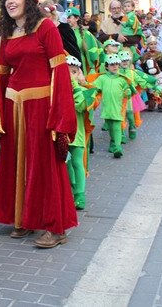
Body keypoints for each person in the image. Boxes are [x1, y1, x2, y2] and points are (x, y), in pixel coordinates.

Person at [0, 0, 77, 249]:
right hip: (14, 108)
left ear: (29, 1)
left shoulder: (46, 27)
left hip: (40, 109)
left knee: (45, 167)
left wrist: (59, 115)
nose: (10, 1)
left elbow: (59, 72)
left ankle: (56, 227)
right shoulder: (8, 32)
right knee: (16, 163)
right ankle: (22, 218)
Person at [65, 55, 93, 210]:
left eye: (74, 72)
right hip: (62, 133)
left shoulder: (83, 90)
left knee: (77, 162)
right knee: (66, 164)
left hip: (78, 133)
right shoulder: (56, 91)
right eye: (66, 72)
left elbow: (81, 106)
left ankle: (80, 195)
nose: (70, 75)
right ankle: (72, 190)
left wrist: (75, 87)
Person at [92, 53, 132, 158]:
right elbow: (94, 88)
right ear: (106, 66)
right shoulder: (102, 78)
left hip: (118, 108)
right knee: (111, 127)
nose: (115, 67)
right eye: (112, 64)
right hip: (107, 109)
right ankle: (113, 142)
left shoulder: (122, 79)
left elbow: (128, 90)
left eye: (116, 64)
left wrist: (127, 92)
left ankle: (118, 148)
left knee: (117, 127)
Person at [66, 7, 100, 76]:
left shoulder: (85, 33)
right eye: (66, 17)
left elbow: (91, 51)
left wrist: (92, 68)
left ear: (77, 18)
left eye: (69, 17)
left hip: (80, 65)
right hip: (66, 66)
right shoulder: (64, 33)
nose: (67, 19)